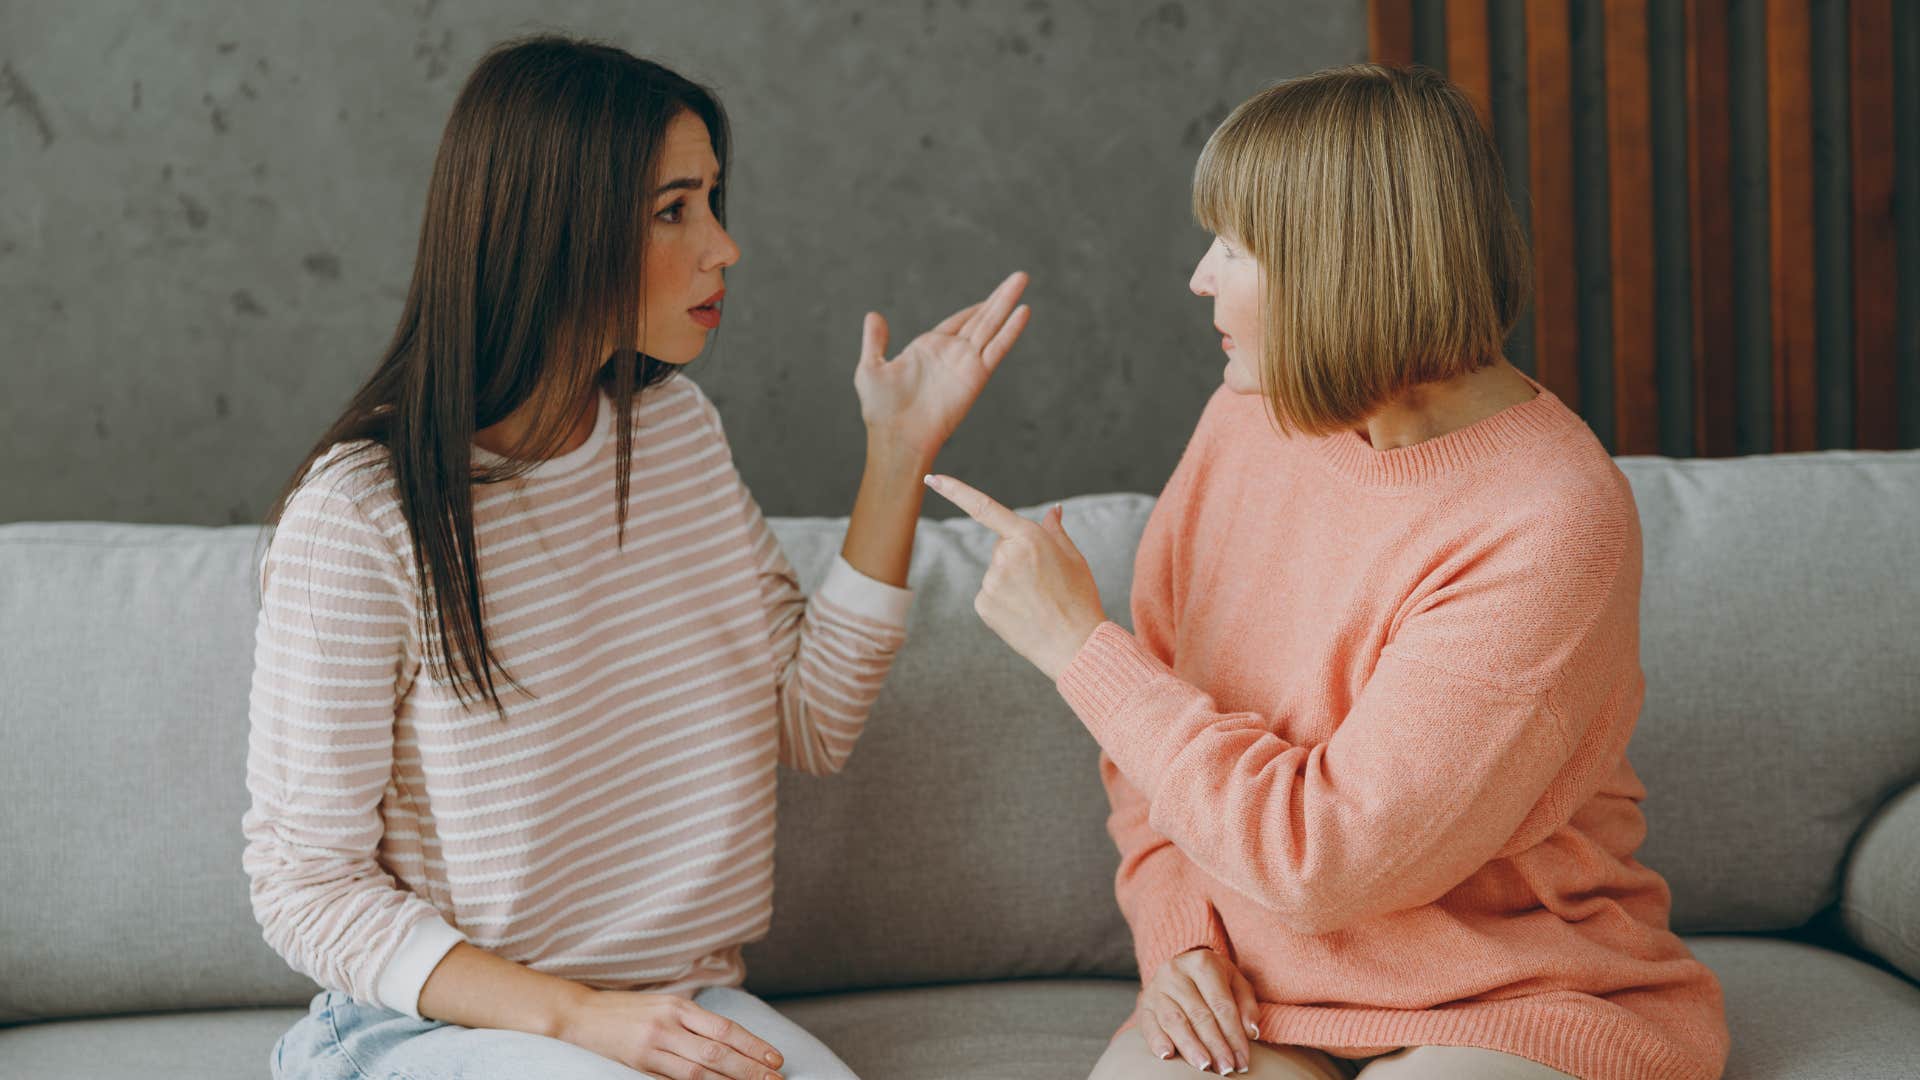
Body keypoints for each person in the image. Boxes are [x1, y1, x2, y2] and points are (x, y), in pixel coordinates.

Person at [245, 34, 1029, 1080]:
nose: (724, 246)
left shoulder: (675, 435)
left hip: (677, 1000)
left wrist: (897, 457)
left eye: (712, 199)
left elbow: (811, 718)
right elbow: (305, 886)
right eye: (674, 210)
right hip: (436, 1029)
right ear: (553, 232)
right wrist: (579, 1022)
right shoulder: (363, 514)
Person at [925, 63, 1730, 1080]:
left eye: (1233, 247)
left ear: (1335, 264)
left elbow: (1325, 860)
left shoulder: (1552, 520)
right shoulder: (1246, 420)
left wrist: (1080, 650)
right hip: (1255, 995)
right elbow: (1152, 745)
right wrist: (1179, 936)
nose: (1199, 279)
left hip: (1512, 998)